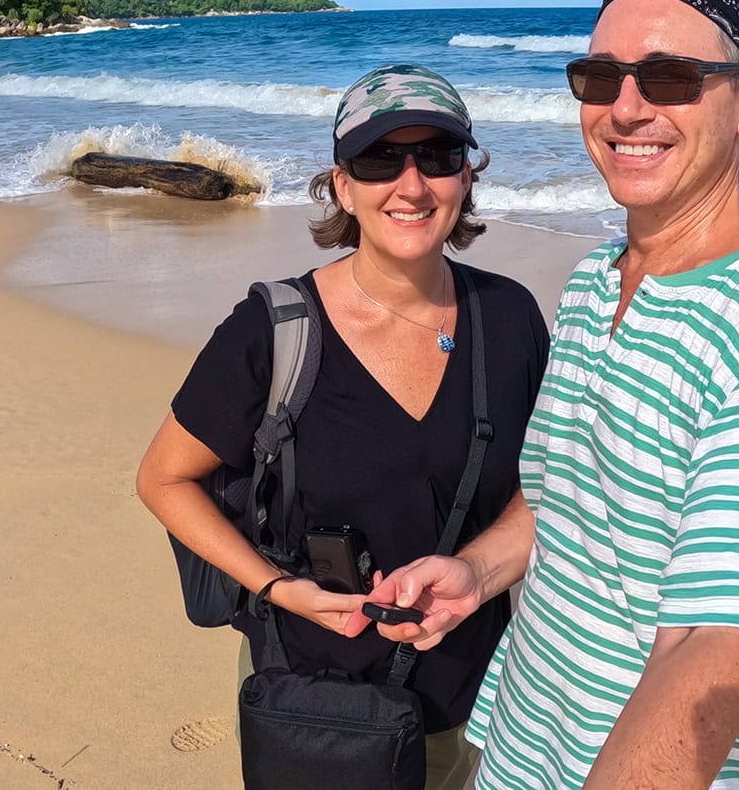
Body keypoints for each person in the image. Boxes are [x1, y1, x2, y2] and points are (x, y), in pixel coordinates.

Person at [379, 0, 739, 789]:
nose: (626, 107)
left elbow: (712, 641)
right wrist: (478, 573)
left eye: (670, 77)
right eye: (600, 76)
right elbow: (568, 489)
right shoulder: (597, 278)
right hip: (526, 740)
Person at [135, 63, 549, 790]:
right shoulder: (273, 330)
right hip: (309, 699)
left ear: (466, 178)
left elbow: (547, 492)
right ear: (343, 185)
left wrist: (477, 577)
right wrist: (276, 587)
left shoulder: (510, 319)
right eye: (381, 158)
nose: (413, 184)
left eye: (439, 156)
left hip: (468, 698)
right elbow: (164, 477)